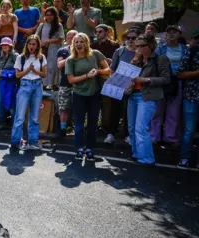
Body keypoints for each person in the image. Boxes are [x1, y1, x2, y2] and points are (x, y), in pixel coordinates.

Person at [65, 33, 110, 161]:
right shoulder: (71, 59)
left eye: (81, 42)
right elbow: (71, 80)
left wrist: (98, 71)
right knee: (79, 124)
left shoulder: (95, 54)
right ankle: (79, 148)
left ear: (86, 43)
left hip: (94, 94)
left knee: (92, 123)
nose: (79, 44)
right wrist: (87, 76)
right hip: (79, 95)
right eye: (76, 42)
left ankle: (90, 149)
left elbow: (108, 70)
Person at [128, 34, 171, 166]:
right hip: (132, 95)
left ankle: (146, 159)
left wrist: (146, 80)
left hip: (147, 96)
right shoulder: (137, 59)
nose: (140, 49)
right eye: (138, 46)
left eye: (143, 45)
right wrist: (135, 58)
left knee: (141, 128)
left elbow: (166, 79)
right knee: (131, 128)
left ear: (151, 45)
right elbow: (128, 74)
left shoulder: (160, 58)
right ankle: (137, 154)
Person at [151, 25, 187, 145]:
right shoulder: (160, 48)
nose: (171, 34)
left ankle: (171, 137)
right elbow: (154, 64)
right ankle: (154, 137)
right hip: (161, 82)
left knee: (174, 111)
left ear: (179, 34)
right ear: (165, 35)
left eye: (174, 32)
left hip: (178, 82)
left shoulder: (184, 49)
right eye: (169, 32)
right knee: (157, 110)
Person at [11, 34, 47, 151]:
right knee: (20, 116)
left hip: (37, 85)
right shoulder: (21, 57)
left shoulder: (41, 57)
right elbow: (17, 75)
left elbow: (44, 74)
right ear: (27, 45)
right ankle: (16, 142)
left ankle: (33, 141)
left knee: (34, 117)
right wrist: (27, 70)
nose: (32, 46)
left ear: (37, 46)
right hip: (25, 85)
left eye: (34, 44)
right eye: (30, 44)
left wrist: (35, 71)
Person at [105, 28, 140, 145]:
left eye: (133, 38)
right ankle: (111, 134)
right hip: (118, 85)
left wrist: (131, 84)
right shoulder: (119, 51)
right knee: (114, 110)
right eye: (128, 38)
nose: (130, 40)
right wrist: (117, 81)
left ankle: (127, 135)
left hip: (134, 86)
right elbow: (112, 68)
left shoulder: (140, 53)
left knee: (128, 112)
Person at [177, 30, 199, 169]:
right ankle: (184, 158)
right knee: (189, 130)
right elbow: (180, 73)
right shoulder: (191, 52)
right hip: (192, 96)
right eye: (196, 39)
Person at [36, 7, 64, 90]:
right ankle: (44, 85)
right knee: (44, 66)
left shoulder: (59, 25)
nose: (49, 17)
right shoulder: (42, 25)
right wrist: (40, 43)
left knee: (53, 67)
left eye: (51, 15)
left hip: (55, 48)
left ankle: (55, 85)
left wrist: (49, 41)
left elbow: (61, 38)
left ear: (55, 15)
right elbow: (36, 35)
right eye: (47, 15)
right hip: (43, 49)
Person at [57, 30, 78, 136]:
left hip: (79, 84)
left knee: (79, 108)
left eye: (73, 36)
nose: (70, 38)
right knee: (63, 107)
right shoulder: (62, 50)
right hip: (65, 83)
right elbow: (59, 64)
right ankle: (63, 129)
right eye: (68, 37)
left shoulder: (83, 50)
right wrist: (71, 57)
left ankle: (78, 129)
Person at [0, 37, 19, 130]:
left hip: (11, 82)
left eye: (6, 45)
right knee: (0, 102)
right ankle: (2, 122)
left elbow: (18, 70)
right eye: (3, 45)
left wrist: (4, 72)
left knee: (11, 103)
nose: (4, 47)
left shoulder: (15, 55)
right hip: (1, 81)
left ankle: (14, 124)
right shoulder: (1, 56)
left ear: (10, 46)